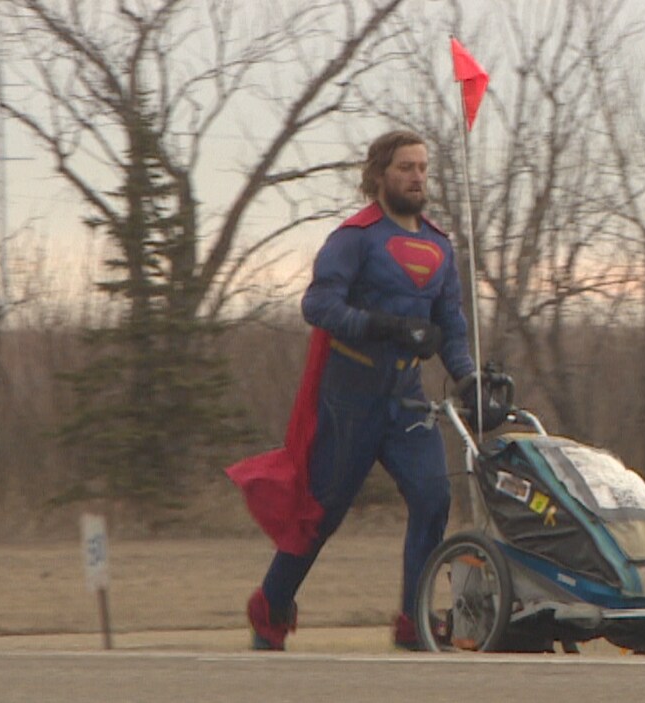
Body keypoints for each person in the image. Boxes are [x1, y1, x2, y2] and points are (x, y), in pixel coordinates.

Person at [227, 129, 478, 651]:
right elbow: (318, 306)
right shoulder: (354, 237)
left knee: (434, 498)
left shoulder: (438, 244)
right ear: (380, 174)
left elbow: (451, 325)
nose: (416, 177)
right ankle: (270, 611)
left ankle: (415, 624)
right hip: (350, 397)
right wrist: (383, 325)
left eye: (423, 168)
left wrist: (469, 378)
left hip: (407, 397)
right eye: (406, 167)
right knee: (322, 513)